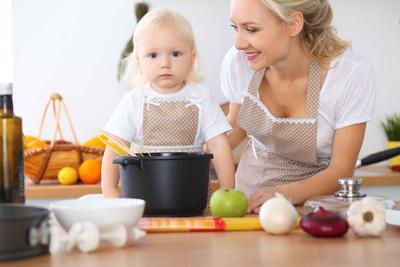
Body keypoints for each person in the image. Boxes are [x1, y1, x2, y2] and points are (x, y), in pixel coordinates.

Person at [221, 0, 376, 213]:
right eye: (234, 28)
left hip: (315, 210)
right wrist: (190, 156)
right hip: (246, 203)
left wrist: (284, 194)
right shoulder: (239, 62)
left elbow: (341, 169)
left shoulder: (348, 73)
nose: (238, 43)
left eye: (250, 29)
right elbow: (235, 127)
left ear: (293, 24)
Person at [102, 8, 235, 198]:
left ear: (192, 59)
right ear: (139, 62)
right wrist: (110, 191)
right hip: (144, 195)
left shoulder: (202, 98)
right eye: (153, 55)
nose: (165, 63)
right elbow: (114, 148)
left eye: (175, 53)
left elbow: (219, 146)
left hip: (191, 197)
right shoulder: (134, 101)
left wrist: (228, 190)